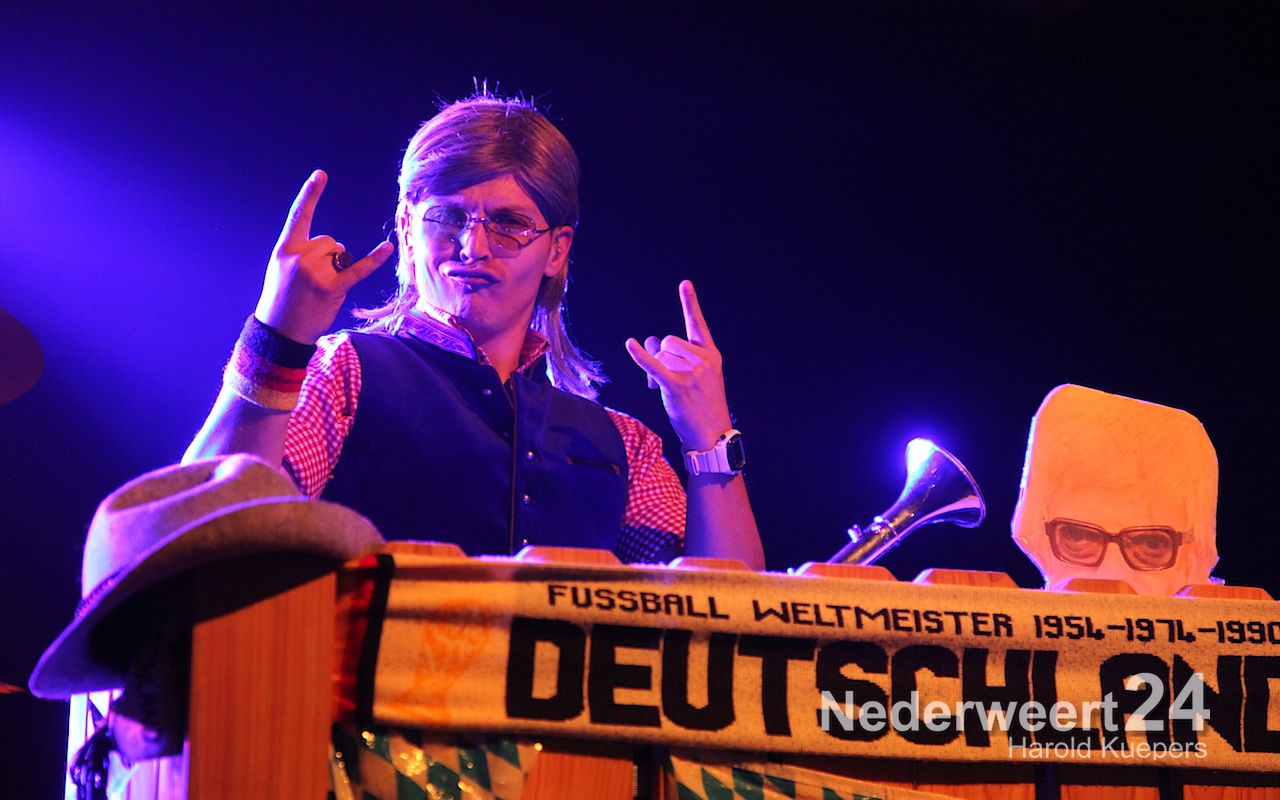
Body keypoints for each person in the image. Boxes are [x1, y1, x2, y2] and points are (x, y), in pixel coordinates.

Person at [184, 92, 765, 570]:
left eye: (509, 224)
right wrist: (278, 338)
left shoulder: (624, 442)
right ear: (407, 229)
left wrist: (710, 437)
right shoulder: (346, 374)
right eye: (448, 216)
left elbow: (725, 617)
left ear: (557, 250)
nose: (473, 246)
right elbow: (199, 536)